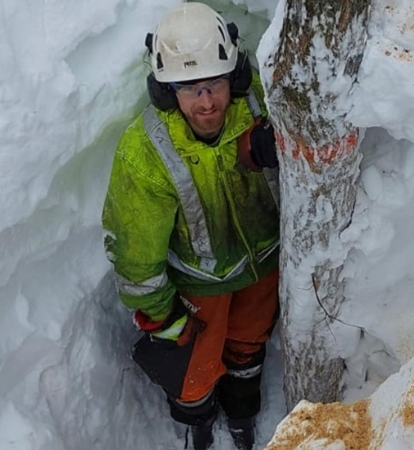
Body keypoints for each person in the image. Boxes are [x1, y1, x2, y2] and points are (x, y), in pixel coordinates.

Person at [101, 3, 280, 449]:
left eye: (216, 84)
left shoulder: (259, 100)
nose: (207, 101)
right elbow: (135, 249)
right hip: (198, 285)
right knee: (193, 373)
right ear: (165, 92)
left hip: (262, 264)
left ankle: (242, 416)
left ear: (233, 78)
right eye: (188, 88)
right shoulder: (144, 152)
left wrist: (279, 140)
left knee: (248, 346)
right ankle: (197, 422)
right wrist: (162, 315)